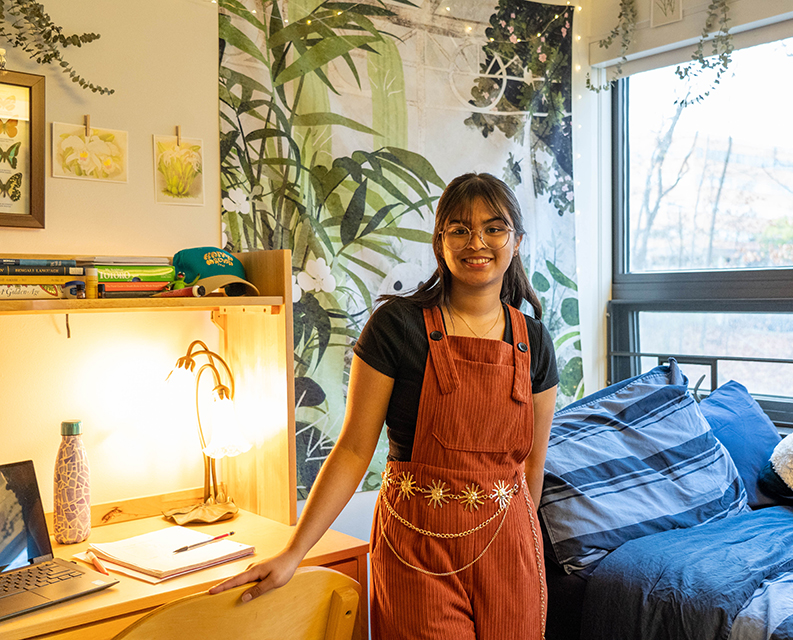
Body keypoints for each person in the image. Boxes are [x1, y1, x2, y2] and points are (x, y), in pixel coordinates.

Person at [211, 172, 559, 639]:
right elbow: (355, 449)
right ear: (440, 243)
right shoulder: (396, 326)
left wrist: (510, 538)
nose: (476, 241)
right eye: (459, 229)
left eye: (494, 228)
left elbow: (533, 462)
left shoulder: (534, 340)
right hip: (417, 548)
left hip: (509, 547)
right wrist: (294, 552)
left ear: (515, 241)